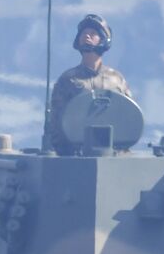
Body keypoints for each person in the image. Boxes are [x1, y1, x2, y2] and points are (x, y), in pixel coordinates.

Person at [44, 14, 132, 155]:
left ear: (103, 39)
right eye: (84, 33)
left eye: (93, 34)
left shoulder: (116, 80)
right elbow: (56, 122)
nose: (87, 36)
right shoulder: (68, 80)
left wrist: (121, 150)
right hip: (75, 155)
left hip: (113, 156)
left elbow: (128, 118)